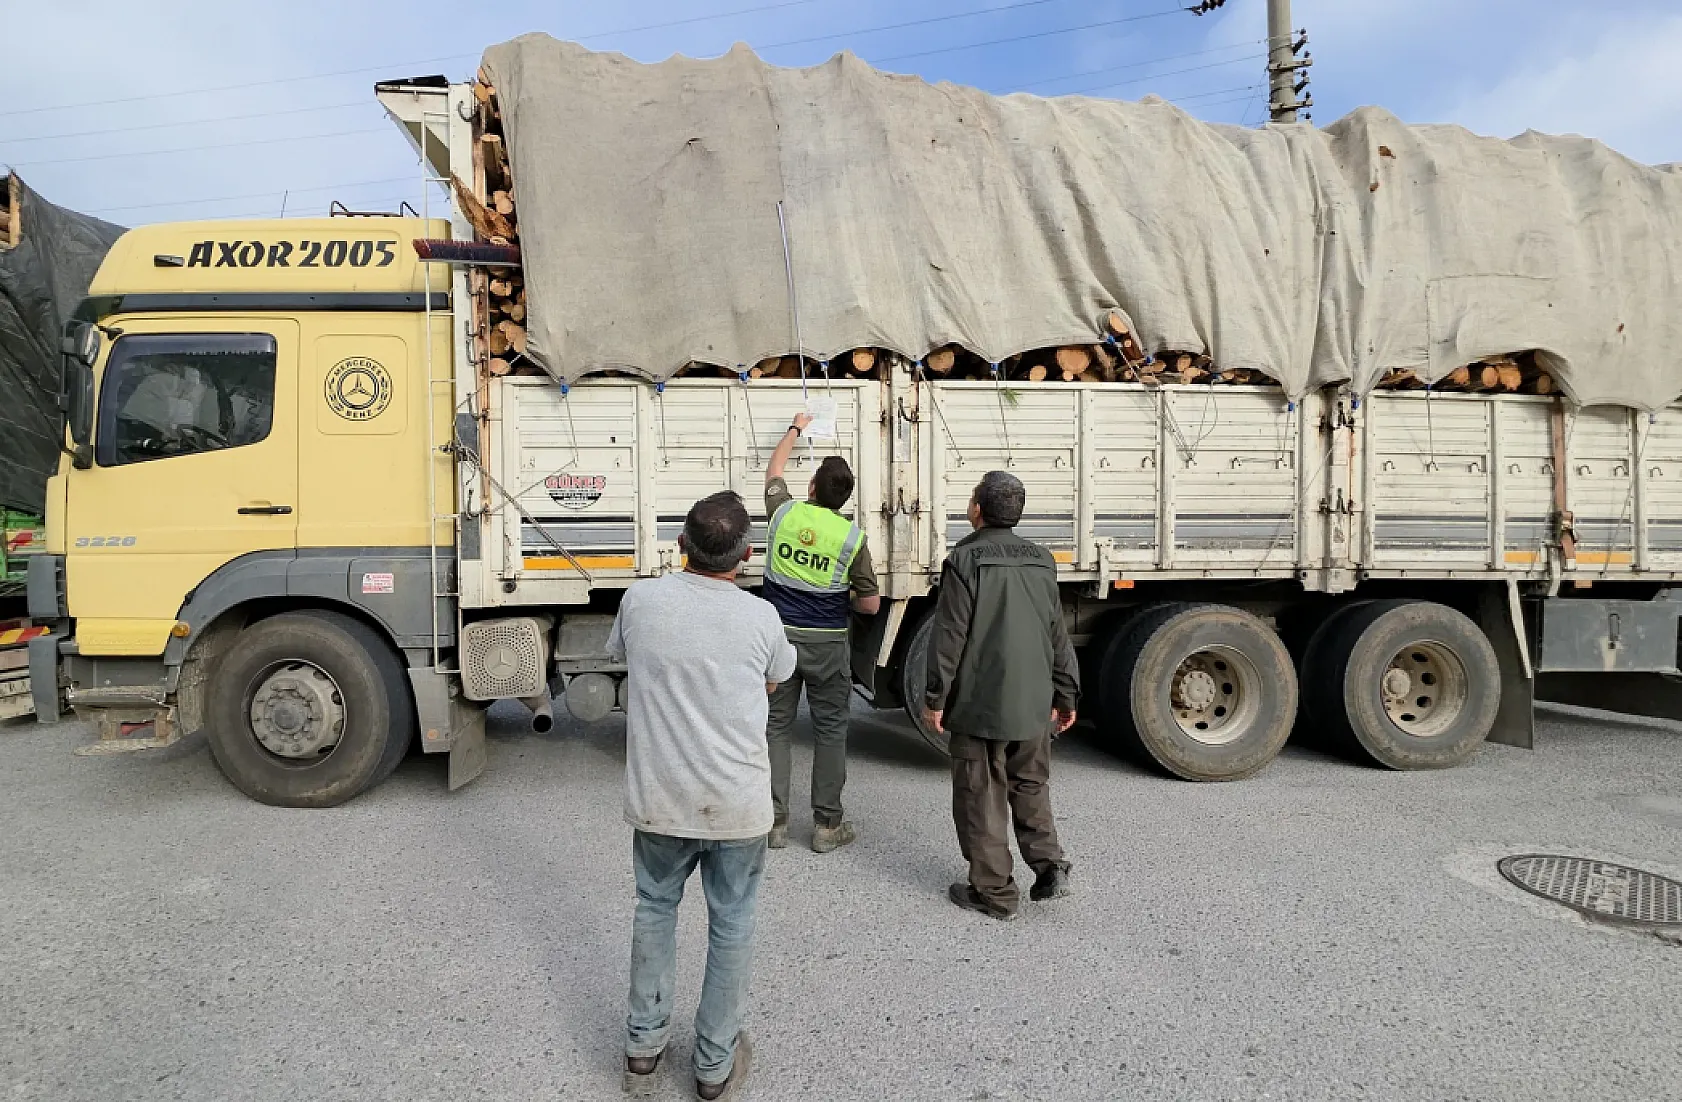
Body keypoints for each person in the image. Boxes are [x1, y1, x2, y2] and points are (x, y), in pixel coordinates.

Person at [609, 490, 797, 1100]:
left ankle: (642, 1050)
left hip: (660, 801)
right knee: (732, 924)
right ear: (745, 556)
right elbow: (776, 677)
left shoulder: (640, 601)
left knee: (655, 908)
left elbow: (623, 655)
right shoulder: (761, 618)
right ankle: (714, 1067)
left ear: (681, 544)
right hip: (737, 805)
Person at [923, 470, 1080, 922]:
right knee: (1030, 783)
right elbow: (1056, 632)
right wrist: (1066, 694)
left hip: (980, 703)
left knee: (980, 794)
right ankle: (1050, 867)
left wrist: (935, 698)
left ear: (977, 509)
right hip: (1033, 700)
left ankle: (994, 892)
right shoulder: (1041, 560)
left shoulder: (965, 560)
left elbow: (949, 636)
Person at [760, 410, 881, 852]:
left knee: (776, 728)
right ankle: (827, 826)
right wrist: (839, 598)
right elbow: (870, 604)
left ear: (811, 487)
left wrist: (796, 428)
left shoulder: (784, 514)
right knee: (830, 731)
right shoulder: (851, 538)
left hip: (779, 641)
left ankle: (773, 823)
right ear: (844, 498)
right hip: (828, 644)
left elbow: (774, 469)